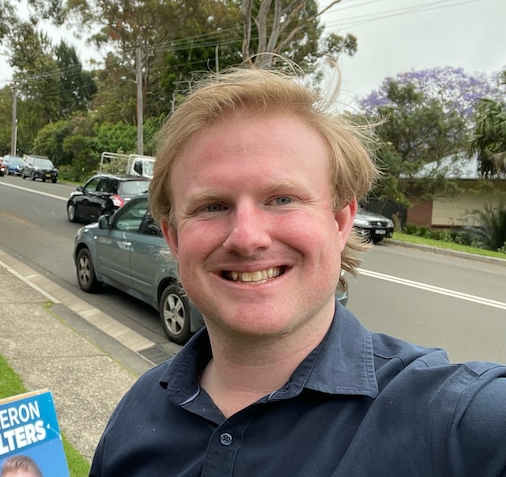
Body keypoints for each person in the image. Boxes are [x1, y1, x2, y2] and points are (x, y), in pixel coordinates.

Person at [89, 67, 506, 476]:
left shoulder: (454, 418)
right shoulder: (135, 411)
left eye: (282, 199)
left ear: (340, 222)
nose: (247, 237)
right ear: (175, 238)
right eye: (212, 206)